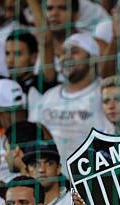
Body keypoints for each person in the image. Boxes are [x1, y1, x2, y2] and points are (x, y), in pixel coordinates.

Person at [30, 32, 106, 174]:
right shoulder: (49, 96)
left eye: (75, 52)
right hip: (48, 178)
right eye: (64, 53)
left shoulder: (104, 94)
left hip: (88, 178)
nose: (66, 58)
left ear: (93, 59)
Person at [22, 141, 78, 205]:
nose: (42, 170)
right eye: (35, 164)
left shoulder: (75, 204)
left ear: (58, 168)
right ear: (26, 172)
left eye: (49, 163)